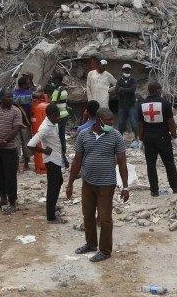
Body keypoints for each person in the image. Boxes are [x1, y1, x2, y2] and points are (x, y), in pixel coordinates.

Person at [66, 108, 128, 263]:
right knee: (87, 215)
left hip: (107, 184)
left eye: (112, 122)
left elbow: (122, 162)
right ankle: (91, 243)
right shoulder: (83, 135)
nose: (111, 124)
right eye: (108, 122)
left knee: (105, 218)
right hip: (88, 182)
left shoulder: (116, 136)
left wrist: (125, 186)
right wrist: (70, 183)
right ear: (99, 120)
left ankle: (105, 251)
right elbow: (77, 161)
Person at [138, 82, 177, 197]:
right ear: (158, 90)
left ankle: (154, 190)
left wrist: (141, 139)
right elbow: (170, 122)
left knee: (151, 164)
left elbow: (140, 124)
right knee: (169, 163)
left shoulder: (141, 104)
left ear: (149, 90)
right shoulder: (165, 103)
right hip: (163, 136)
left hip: (148, 137)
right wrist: (174, 136)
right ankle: (175, 187)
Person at [26, 104, 66, 223]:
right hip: (51, 160)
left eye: (58, 115)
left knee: (58, 182)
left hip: (57, 158)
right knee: (53, 187)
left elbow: (57, 142)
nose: (58, 118)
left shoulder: (53, 123)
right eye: (56, 116)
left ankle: (52, 207)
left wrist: (64, 158)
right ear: (49, 115)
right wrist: (43, 150)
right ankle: (51, 216)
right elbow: (30, 145)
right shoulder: (45, 128)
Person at [0, 90, 24, 213]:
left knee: (10, 177)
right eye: (7, 96)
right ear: (1, 97)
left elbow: (16, 129)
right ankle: (2, 199)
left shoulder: (16, 111)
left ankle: (13, 202)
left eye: (11, 97)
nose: (10, 99)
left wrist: (3, 142)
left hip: (9, 149)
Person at [47, 72, 71, 164]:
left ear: (57, 80)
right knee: (62, 137)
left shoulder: (57, 91)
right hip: (64, 115)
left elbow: (52, 105)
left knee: (56, 138)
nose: (52, 81)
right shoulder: (64, 89)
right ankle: (64, 156)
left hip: (58, 117)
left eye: (53, 79)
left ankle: (61, 158)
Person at [13, 76, 34, 170]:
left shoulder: (13, 94)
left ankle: (17, 165)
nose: (29, 85)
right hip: (26, 122)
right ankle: (26, 164)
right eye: (28, 83)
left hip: (14, 123)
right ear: (23, 84)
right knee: (27, 143)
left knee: (16, 144)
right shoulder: (29, 94)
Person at [115, 64, 139, 147]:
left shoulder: (133, 80)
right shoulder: (119, 81)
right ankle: (120, 139)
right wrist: (125, 90)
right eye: (125, 70)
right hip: (122, 105)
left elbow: (133, 90)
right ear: (122, 70)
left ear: (130, 71)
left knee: (134, 122)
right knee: (121, 122)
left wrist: (122, 89)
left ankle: (136, 139)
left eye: (128, 70)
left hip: (131, 105)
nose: (127, 71)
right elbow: (116, 91)